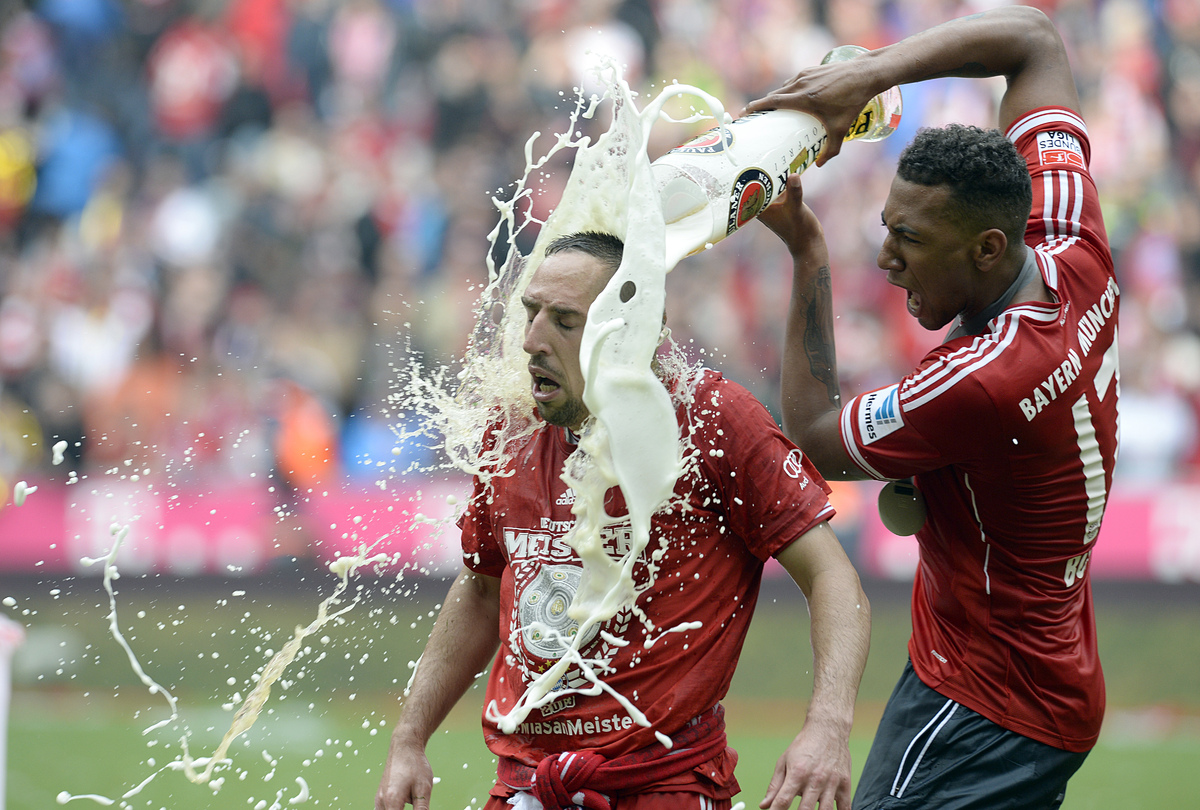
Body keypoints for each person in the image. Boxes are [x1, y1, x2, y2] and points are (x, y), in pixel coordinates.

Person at [751, 6, 1118, 809]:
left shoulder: (989, 377)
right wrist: (870, 75)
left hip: (985, 701)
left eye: (908, 241)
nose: (884, 259)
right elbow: (1032, 38)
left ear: (988, 248)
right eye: (886, 228)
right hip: (1043, 671)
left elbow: (815, 439)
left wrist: (807, 251)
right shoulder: (1067, 237)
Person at [376, 231, 871, 810]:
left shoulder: (714, 419)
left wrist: (829, 726)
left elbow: (832, 576)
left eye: (564, 321)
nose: (532, 341)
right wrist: (409, 738)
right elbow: (484, 589)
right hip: (526, 789)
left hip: (665, 788)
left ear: (627, 332)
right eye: (530, 313)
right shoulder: (513, 428)